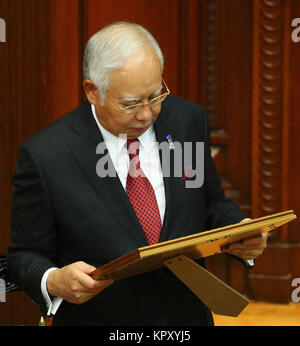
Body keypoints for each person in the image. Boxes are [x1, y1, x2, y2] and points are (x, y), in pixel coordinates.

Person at [7, 22, 267, 326]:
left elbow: (210, 203)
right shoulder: (46, 155)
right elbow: (24, 256)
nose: (146, 114)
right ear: (93, 91)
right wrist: (54, 280)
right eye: (130, 103)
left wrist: (239, 230)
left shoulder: (186, 122)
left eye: (155, 95)